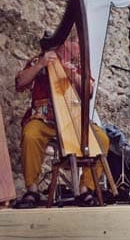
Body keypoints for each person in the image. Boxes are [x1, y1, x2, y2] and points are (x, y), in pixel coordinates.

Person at [14, 32, 110, 208]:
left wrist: (74, 76)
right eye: (76, 44)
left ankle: (84, 190)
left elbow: (88, 92)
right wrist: (41, 64)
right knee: (30, 134)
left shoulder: (79, 66)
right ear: (65, 43)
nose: (79, 49)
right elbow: (20, 83)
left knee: (101, 139)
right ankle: (32, 190)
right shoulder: (39, 60)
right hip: (43, 118)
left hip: (71, 121)